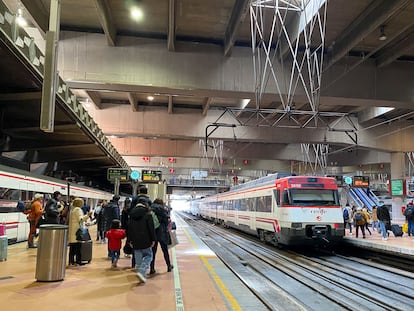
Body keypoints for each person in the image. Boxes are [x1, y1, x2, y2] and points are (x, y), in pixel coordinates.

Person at [128, 201, 156, 284]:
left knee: (138, 258)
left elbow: (129, 228)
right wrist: (153, 239)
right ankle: (142, 271)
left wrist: (129, 240)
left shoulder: (131, 215)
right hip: (146, 239)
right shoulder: (148, 214)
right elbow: (151, 228)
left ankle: (140, 272)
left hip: (135, 240)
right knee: (149, 256)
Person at [149, 199, 173, 274]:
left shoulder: (150, 209)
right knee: (165, 250)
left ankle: (152, 268)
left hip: (153, 233)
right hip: (162, 232)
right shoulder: (163, 210)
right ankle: (169, 266)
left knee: (153, 251)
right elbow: (166, 221)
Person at [68, 197, 92, 266]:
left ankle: (71, 261)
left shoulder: (72, 209)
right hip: (77, 231)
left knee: (72, 248)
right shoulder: (78, 210)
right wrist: (88, 215)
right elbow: (81, 219)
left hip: (73, 231)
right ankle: (78, 261)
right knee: (77, 247)